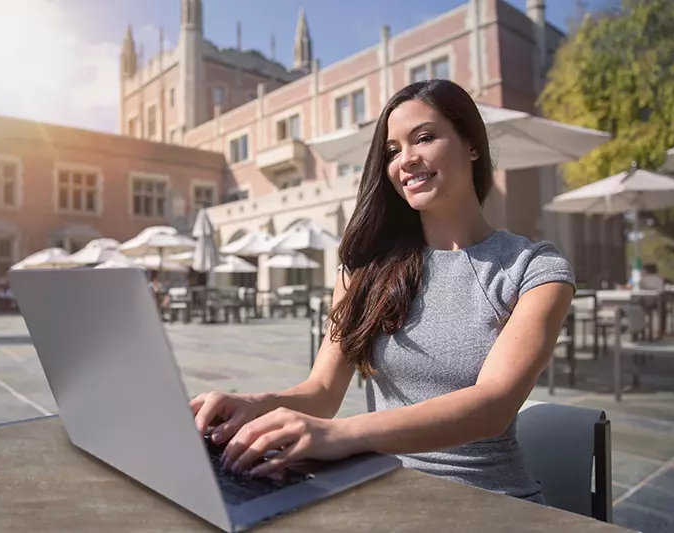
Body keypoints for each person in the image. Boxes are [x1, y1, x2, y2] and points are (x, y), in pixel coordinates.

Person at [190, 79, 575, 504]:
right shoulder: (363, 269)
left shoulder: (534, 267)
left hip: (489, 499)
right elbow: (321, 391)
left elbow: (492, 406)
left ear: (472, 145)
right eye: (392, 151)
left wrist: (339, 435)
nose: (405, 160)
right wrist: (253, 403)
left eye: (424, 138)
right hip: (381, 492)